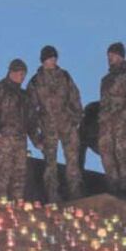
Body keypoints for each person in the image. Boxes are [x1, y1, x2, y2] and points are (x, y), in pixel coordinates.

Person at [27, 45, 83, 203]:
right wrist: (35, 137)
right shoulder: (36, 81)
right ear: (44, 60)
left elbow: (75, 97)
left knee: (73, 161)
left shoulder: (64, 76)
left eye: (55, 57)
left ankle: (76, 195)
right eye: (50, 57)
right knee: (50, 164)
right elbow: (30, 110)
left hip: (67, 124)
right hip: (47, 127)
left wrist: (76, 119)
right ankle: (52, 197)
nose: (53, 60)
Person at [0, 59, 35, 200]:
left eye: (24, 74)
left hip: (20, 141)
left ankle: (17, 212)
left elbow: (30, 121)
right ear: (11, 72)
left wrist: (37, 141)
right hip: (4, 139)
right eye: (20, 73)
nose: (22, 77)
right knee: (2, 176)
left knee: (19, 179)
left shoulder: (24, 96)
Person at [98, 41, 126, 193]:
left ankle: (125, 190)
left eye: (113, 55)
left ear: (121, 56)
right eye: (108, 55)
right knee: (106, 153)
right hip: (106, 123)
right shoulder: (106, 79)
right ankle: (112, 187)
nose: (110, 58)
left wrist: (124, 117)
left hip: (121, 123)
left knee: (122, 154)